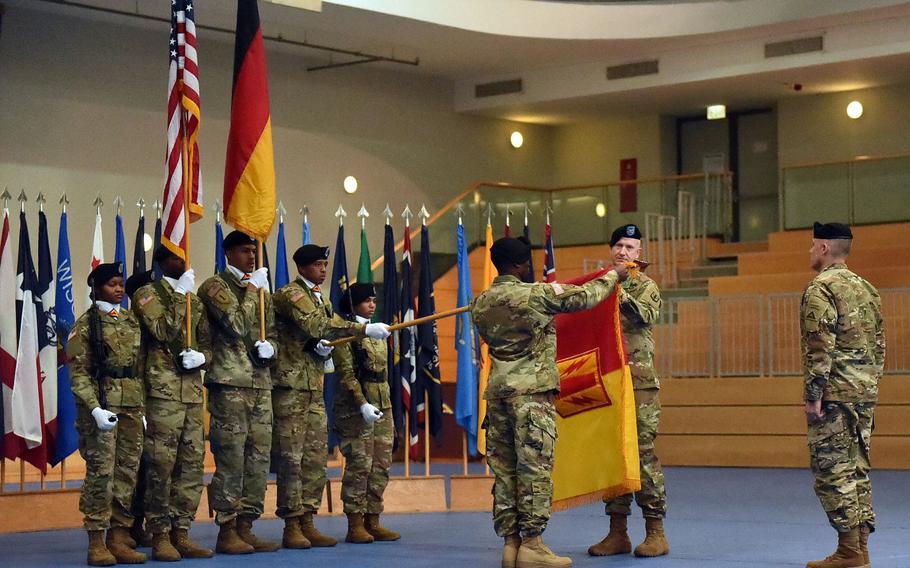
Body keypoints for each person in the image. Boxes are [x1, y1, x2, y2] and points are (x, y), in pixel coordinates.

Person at [471, 236, 628, 568]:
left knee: (506, 473)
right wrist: (614, 275)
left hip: (498, 397)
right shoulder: (536, 294)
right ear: (518, 265)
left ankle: (511, 545)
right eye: (526, 262)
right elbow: (587, 296)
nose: (529, 267)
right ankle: (532, 545)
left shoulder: (481, 302)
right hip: (531, 397)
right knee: (534, 469)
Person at [271, 244, 390, 549]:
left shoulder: (319, 298)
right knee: (292, 459)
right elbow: (316, 325)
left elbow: (316, 335)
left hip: (312, 385)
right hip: (291, 387)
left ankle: (308, 520)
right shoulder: (292, 293)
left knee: (314, 459)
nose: (323, 270)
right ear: (303, 267)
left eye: (325, 264)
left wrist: (319, 347)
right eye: (318, 265)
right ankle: (292, 524)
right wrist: (362, 330)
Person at [801, 222, 885, 568]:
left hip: (834, 394)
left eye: (811, 246)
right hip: (863, 392)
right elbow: (879, 345)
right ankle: (860, 549)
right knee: (857, 469)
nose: (809, 252)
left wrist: (813, 395)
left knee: (832, 471)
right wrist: (869, 384)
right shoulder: (867, 288)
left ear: (823, 248)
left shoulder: (820, 288)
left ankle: (849, 551)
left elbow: (820, 348)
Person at [589, 224, 669, 558]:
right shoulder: (599, 285)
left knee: (642, 453)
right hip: (608, 380)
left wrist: (617, 289)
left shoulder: (645, 286)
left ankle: (656, 531)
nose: (623, 252)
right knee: (611, 453)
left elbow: (646, 315)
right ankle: (617, 532)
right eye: (619, 245)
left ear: (639, 254)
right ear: (611, 250)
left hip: (639, 385)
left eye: (630, 247)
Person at [198, 230, 279, 555]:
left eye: (253, 251)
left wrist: (269, 348)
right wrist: (253, 290)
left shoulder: (258, 290)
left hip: (260, 383)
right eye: (245, 251)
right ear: (229, 254)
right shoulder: (215, 287)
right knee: (231, 458)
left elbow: (268, 329)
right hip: (230, 383)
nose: (251, 257)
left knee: (258, 459)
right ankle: (227, 528)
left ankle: (246, 525)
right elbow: (235, 323)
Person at [131, 247, 213, 561]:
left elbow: (211, 345)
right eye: (179, 255)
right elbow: (162, 330)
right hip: (161, 394)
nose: (185, 260)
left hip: (192, 393)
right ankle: (160, 534)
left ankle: (182, 531)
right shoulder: (146, 295)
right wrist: (180, 295)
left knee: (191, 466)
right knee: (160, 466)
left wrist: (203, 357)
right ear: (164, 261)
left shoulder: (194, 299)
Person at [67, 262, 146, 566]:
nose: (118, 288)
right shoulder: (85, 326)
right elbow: (79, 373)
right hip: (101, 409)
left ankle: (119, 536)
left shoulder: (129, 320)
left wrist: (141, 410)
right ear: (97, 287)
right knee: (102, 476)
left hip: (130, 406)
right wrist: (95, 408)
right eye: (112, 284)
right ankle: (97, 541)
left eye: (120, 283)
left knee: (127, 473)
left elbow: (137, 367)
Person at [331, 282, 399, 544]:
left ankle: (373, 519)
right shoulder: (347, 334)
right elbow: (347, 375)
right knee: (360, 464)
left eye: (373, 300)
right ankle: (355, 523)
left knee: (381, 464)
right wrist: (361, 403)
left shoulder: (379, 331)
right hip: (356, 407)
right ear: (353, 305)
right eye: (365, 301)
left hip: (382, 402)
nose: (372, 305)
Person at [124, 270, 154, 551]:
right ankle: (125, 526)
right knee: (131, 469)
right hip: (132, 403)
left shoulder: (152, 325)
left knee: (148, 469)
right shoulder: (128, 325)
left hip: (154, 401)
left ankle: (140, 523)